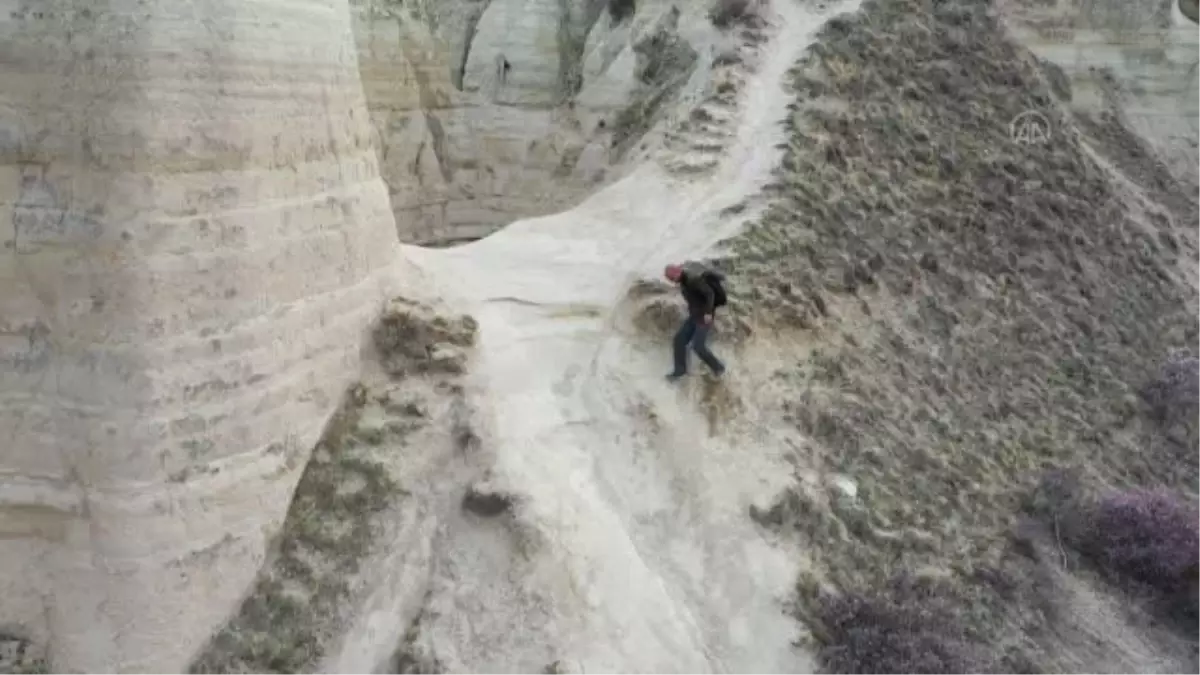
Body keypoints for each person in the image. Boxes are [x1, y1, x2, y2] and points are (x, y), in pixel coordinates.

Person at [663, 262, 726, 381]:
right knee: (679, 340)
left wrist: (708, 312)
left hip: (704, 317)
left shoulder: (693, 280)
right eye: (670, 279)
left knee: (698, 346)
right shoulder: (684, 281)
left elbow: (709, 293)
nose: (672, 280)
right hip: (695, 316)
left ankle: (718, 368)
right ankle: (680, 370)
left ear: (677, 274)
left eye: (672, 278)